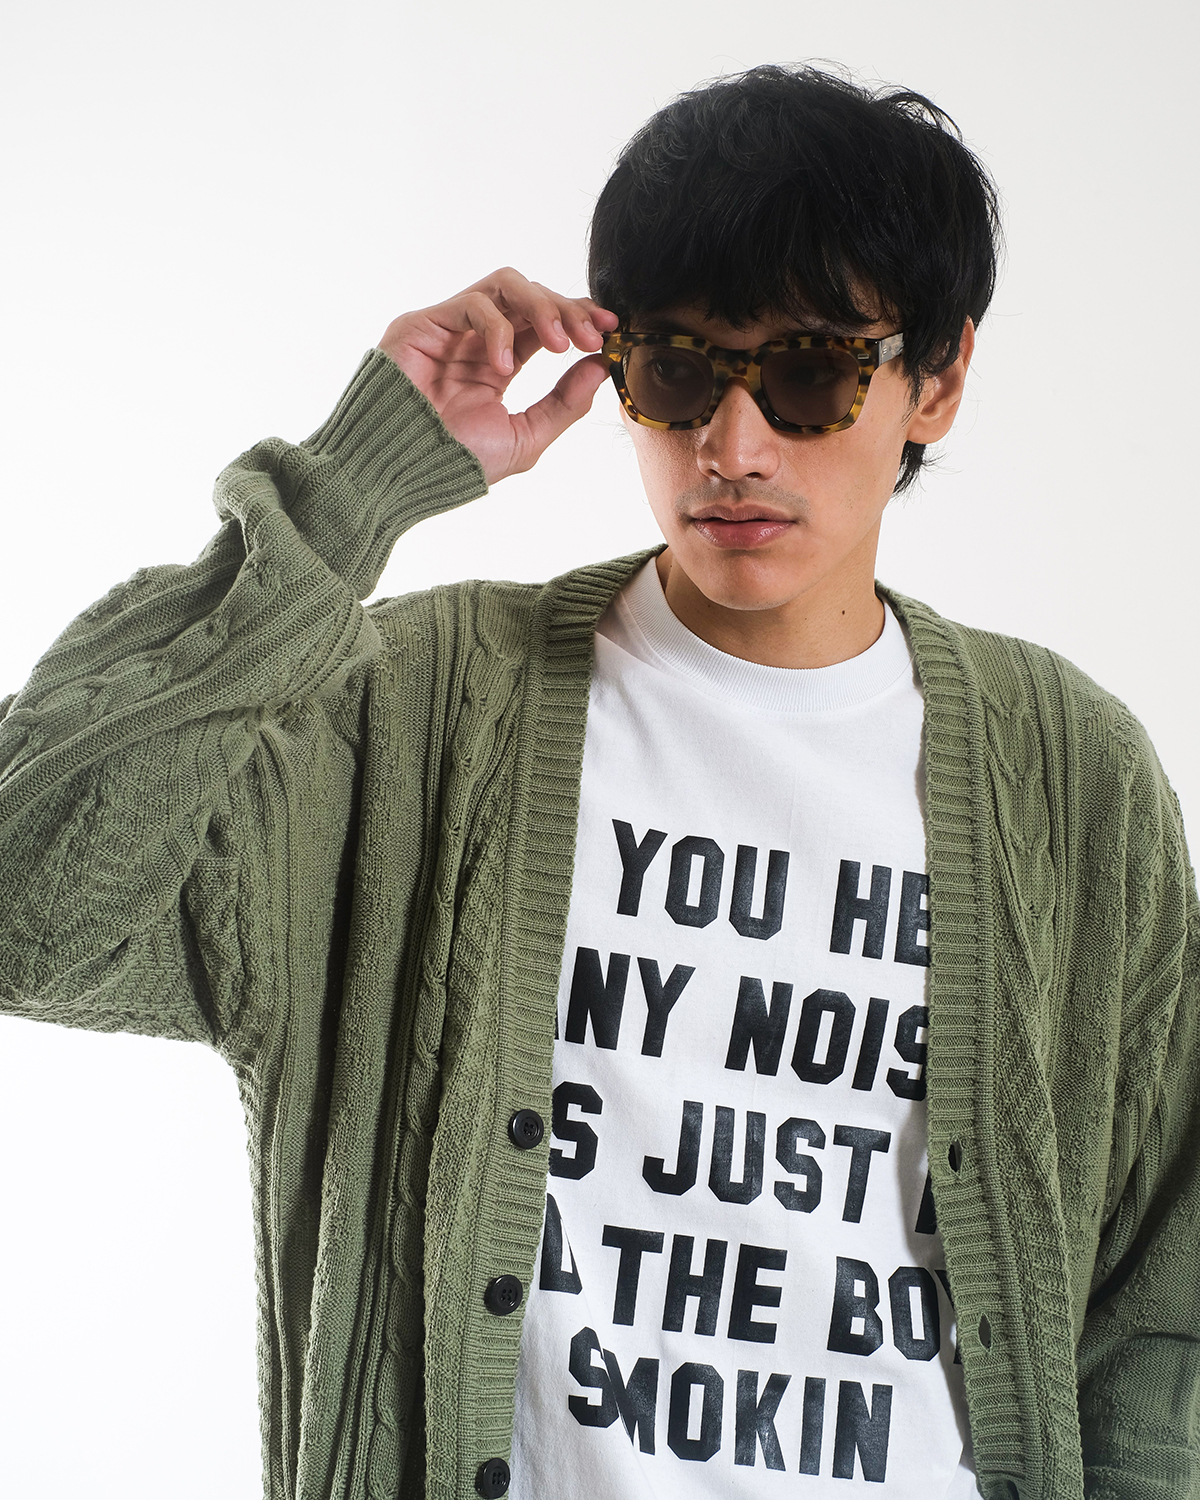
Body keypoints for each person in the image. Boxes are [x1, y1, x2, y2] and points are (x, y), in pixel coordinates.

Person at [0, 62, 1196, 1500]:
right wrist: (351, 492)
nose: (730, 450)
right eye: (679, 371)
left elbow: (1159, 1306)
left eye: (811, 375)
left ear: (933, 382)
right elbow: (29, 913)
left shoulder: (1073, 775)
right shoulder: (409, 715)